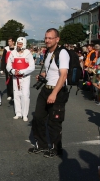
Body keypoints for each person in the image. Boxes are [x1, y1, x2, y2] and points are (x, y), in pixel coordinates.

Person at [29, 28, 70, 158]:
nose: (47, 40)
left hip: (57, 91)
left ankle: (56, 148)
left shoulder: (62, 53)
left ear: (57, 39)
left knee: (54, 121)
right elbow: (52, 70)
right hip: (46, 89)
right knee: (38, 117)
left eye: (50, 38)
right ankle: (41, 145)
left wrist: (54, 94)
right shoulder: (48, 52)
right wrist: (43, 74)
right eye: (46, 38)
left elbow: (63, 75)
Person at [6, 37, 35, 121]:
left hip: (25, 77)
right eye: (18, 43)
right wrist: (12, 70)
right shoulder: (13, 53)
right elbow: (8, 65)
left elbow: (32, 67)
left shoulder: (27, 53)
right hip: (15, 77)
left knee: (25, 95)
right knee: (16, 95)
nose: (18, 45)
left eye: (20, 44)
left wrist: (23, 71)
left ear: (24, 44)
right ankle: (18, 113)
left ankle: (24, 114)